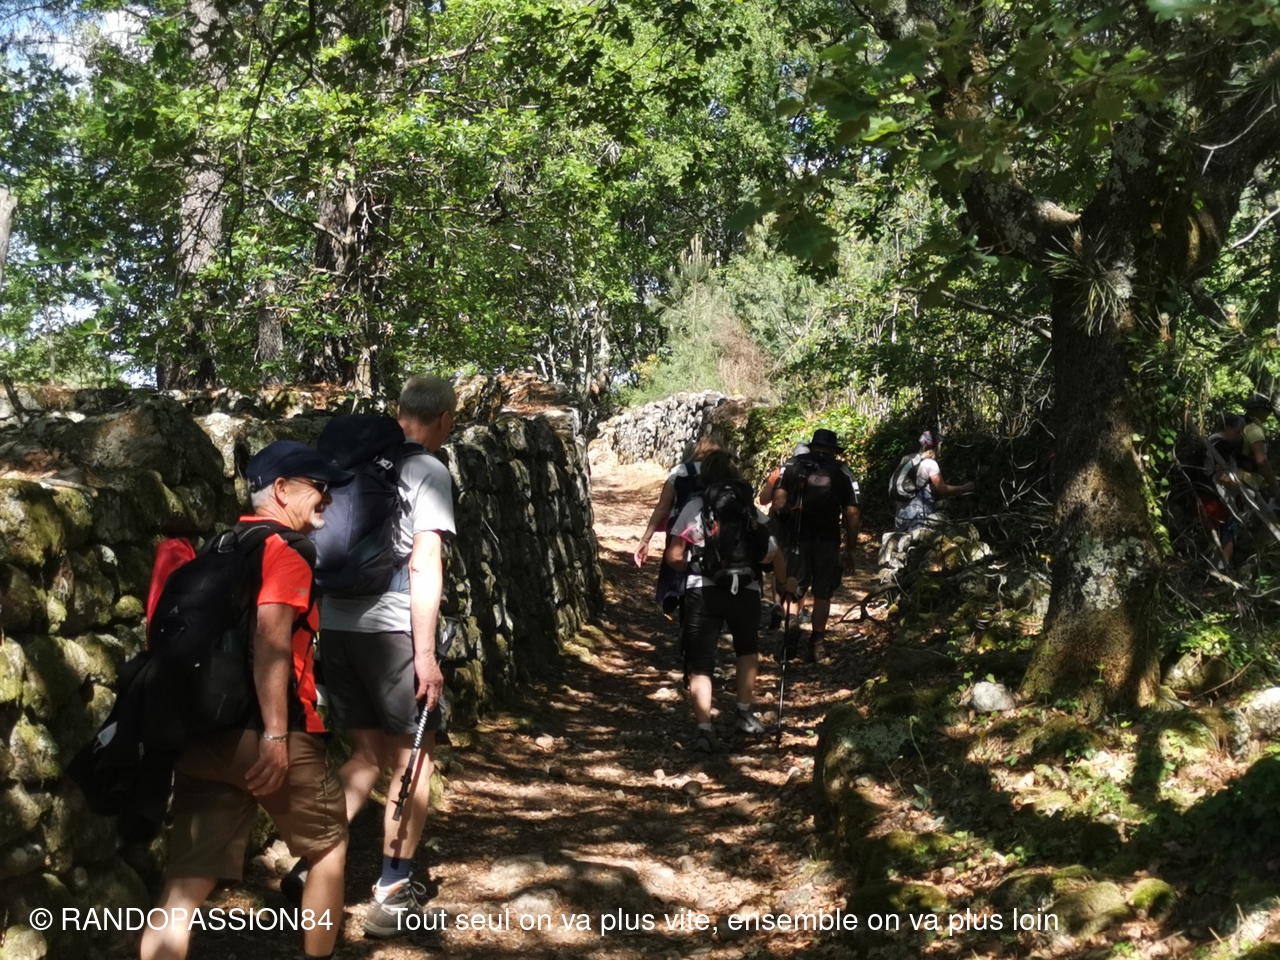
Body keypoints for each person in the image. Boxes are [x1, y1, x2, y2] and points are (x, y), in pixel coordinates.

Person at [140, 441, 353, 960]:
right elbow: (271, 640)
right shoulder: (287, 551)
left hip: (200, 733)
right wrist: (276, 737)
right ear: (281, 490)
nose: (328, 498)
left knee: (187, 881)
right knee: (328, 848)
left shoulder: (221, 545)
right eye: (319, 487)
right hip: (267, 734)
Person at [318, 375, 457, 938]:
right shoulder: (427, 470)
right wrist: (425, 655)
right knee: (412, 760)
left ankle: (311, 861)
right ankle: (394, 890)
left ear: (400, 412)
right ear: (445, 418)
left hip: (335, 624)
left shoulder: (353, 462)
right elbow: (425, 563)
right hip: (393, 631)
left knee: (364, 755)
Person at [664, 451, 797, 752]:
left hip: (703, 592)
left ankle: (704, 730)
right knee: (747, 650)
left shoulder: (695, 507)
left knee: (701, 663)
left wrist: (694, 566)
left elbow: (673, 556)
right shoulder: (748, 509)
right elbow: (774, 552)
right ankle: (744, 714)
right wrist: (782, 584)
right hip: (746, 590)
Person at [771, 429, 861, 664]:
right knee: (823, 592)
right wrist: (851, 549)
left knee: (793, 586)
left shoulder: (792, 465)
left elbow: (778, 502)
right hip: (828, 539)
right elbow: (852, 512)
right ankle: (817, 644)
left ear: (813, 446)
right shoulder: (843, 471)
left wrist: (780, 533)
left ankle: (791, 628)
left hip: (796, 536)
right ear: (833, 449)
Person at [633, 435, 723, 615]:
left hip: (680, 534)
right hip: (713, 533)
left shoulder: (680, 471)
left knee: (680, 576)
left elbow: (662, 508)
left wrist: (646, 540)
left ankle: (678, 603)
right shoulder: (723, 474)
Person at [893, 430, 974, 534]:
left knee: (902, 541)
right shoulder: (930, 464)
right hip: (916, 512)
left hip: (901, 510)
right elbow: (942, 489)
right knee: (917, 542)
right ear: (935, 447)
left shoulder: (909, 459)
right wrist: (963, 488)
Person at [1192, 413, 1246, 566]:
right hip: (1218, 498)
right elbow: (1221, 476)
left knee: (1213, 535)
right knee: (1227, 531)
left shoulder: (1208, 441)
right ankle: (1222, 568)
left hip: (1205, 494)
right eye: (1237, 431)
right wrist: (1242, 490)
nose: (1239, 435)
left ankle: (1212, 569)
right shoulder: (1221, 445)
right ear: (1227, 428)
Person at [1240, 393, 1280, 505]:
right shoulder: (1254, 429)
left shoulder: (1242, 426)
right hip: (1246, 483)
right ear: (1261, 411)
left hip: (1235, 478)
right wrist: (1275, 487)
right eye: (1268, 411)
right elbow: (1261, 461)